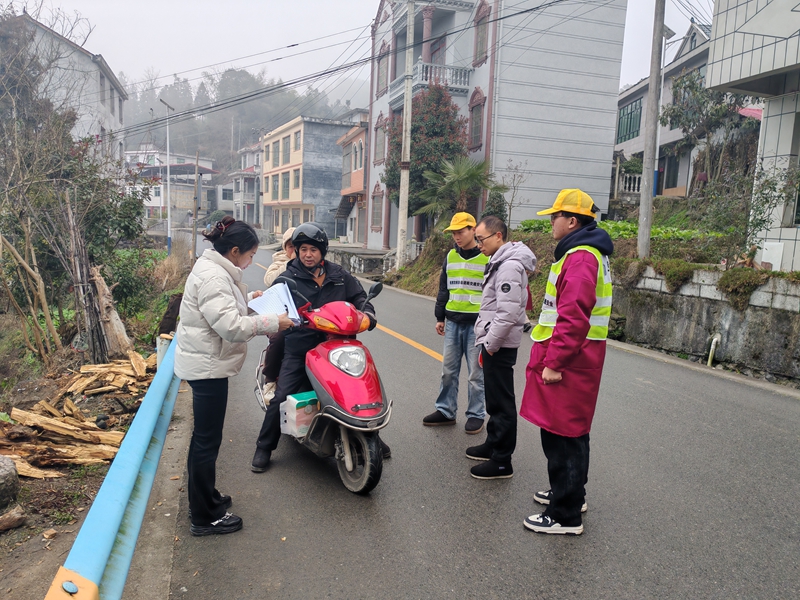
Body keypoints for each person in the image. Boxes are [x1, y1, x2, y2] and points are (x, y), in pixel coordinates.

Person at [174, 216, 293, 536]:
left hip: (207, 363)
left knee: (204, 440)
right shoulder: (214, 277)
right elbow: (230, 326)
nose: (251, 261)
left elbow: (223, 310)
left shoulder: (213, 269)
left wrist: (250, 300)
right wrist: (273, 322)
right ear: (235, 251)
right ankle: (204, 517)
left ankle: (205, 498)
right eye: (251, 255)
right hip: (207, 368)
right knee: (206, 441)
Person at [251, 222, 384, 472]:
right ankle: (264, 447)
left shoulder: (338, 275)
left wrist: (367, 312)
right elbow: (273, 309)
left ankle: (370, 434)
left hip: (337, 346)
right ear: (296, 251)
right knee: (281, 396)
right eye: (303, 249)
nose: (308, 254)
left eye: (313, 249)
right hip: (301, 347)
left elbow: (359, 296)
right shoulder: (287, 279)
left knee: (358, 386)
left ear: (322, 251)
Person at [519, 189, 613, 536]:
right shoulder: (585, 253)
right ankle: (570, 494)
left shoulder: (581, 257)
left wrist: (555, 362)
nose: (550, 222)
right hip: (577, 356)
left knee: (563, 436)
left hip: (570, 359)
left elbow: (573, 317)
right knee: (570, 432)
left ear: (572, 221)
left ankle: (565, 514)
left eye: (555, 216)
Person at [465, 216, 537, 480]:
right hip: (495, 340)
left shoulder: (508, 267)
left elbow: (507, 313)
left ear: (498, 236)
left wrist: (491, 344)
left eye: (481, 239)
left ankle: (502, 460)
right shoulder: (500, 262)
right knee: (494, 399)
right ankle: (493, 444)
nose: (478, 244)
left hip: (499, 343)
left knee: (502, 401)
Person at [423, 212, 488, 434]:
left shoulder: (487, 257)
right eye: (453, 233)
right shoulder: (450, 256)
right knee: (448, 371)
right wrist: (439, 317)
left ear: (473, 230)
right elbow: (444, 289)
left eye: (460, 232)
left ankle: (476, 414)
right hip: (452, 322)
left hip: (477, 325)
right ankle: (446, 411)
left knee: (476, 374)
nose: (457, 237)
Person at [260, 227, 296, 402]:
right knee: (279, 337)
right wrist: (291, 264)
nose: (295, 250)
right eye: (291, 246)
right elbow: (269, 280)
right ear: (285, 248)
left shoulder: (313, 264)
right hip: (281, 313)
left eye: (299, 246)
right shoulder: (280, 262)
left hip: (307, 313)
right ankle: (270, 380)